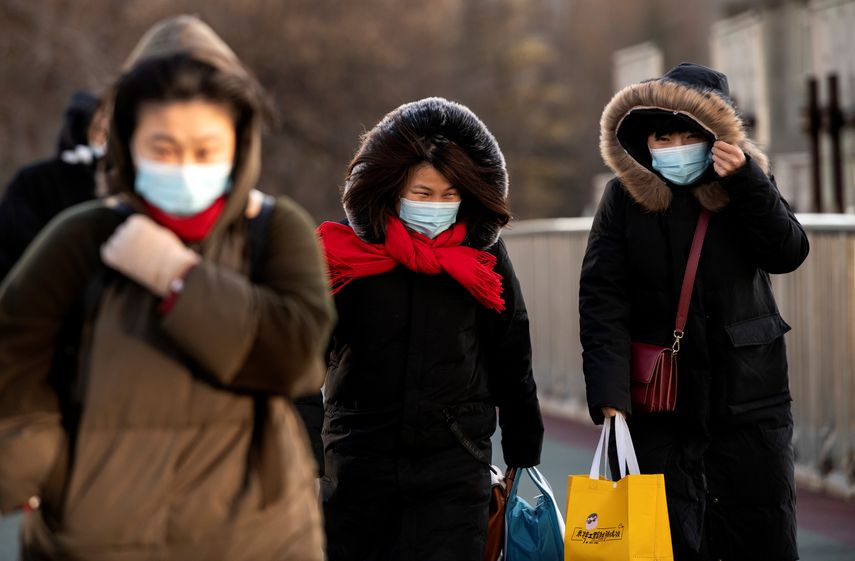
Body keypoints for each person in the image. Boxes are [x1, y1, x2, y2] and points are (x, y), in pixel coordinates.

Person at [0, 15, 334, 560]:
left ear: (239, 142)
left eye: (205, 151)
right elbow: (12, 357)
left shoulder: (276, 230)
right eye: (164, 148)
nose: (184, 169)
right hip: (97, 542)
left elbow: (295, 355)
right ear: (128, 141)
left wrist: (179, 278)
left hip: (255, 540)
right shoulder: (82, 238)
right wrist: (41, 465)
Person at [580, 62, 809, 561]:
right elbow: (602, 294)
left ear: (717, 135)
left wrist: (749, 182)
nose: (676, 146)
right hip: (660, 401)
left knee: (757, 531)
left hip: (749, 397)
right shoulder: (625, 196)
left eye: (691, 134)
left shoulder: (747, 184)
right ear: (646, 141)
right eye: (664, 135)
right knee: (667, 539)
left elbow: (788, 252)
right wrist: (609, 395)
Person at [315, 97, 544, 560]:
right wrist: (303, 449)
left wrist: (523, 442)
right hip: (360, 462)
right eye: (423, 193)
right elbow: (300, 357)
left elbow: (510, 348)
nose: (437, 205)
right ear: (393, 189)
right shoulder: (345, 255)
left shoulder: (483, 259)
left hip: (455, 461)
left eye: (449, 194)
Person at [0, 90, 106, 281]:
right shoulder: (34, 180)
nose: (101, 139)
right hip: (35, 290)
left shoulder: (114, 183)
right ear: (79, 127)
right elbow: (12, 240)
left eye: (106, 132)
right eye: (96, 129)